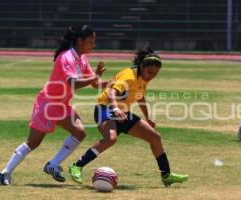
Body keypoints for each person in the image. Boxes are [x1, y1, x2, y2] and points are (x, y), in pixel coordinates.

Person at [0, 25, 108, 185]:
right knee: (33, 142)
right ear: (79, 41)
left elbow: (94, 83)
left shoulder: (82, 58)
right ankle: (5, 172)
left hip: (61, 104)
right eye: (91, 41)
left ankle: (53, 164)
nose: (93, 45)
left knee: (80, 132)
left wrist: (113, 83)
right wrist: (94, 78)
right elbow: (73, 83)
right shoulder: (66, 57)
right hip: (48, 103)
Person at [69, 47, 188, 187]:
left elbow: (140, 96)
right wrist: (115, 108)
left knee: (155, 137)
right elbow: (111, 92)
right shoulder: (129, 77)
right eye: (150, 72)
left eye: (155, 73)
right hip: (106, 108)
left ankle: (166, 175)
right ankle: (77, 166)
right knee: (111, 139)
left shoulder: (142, 77)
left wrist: (148, 117)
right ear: (142, 66)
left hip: (123, 113)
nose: (151, 76)